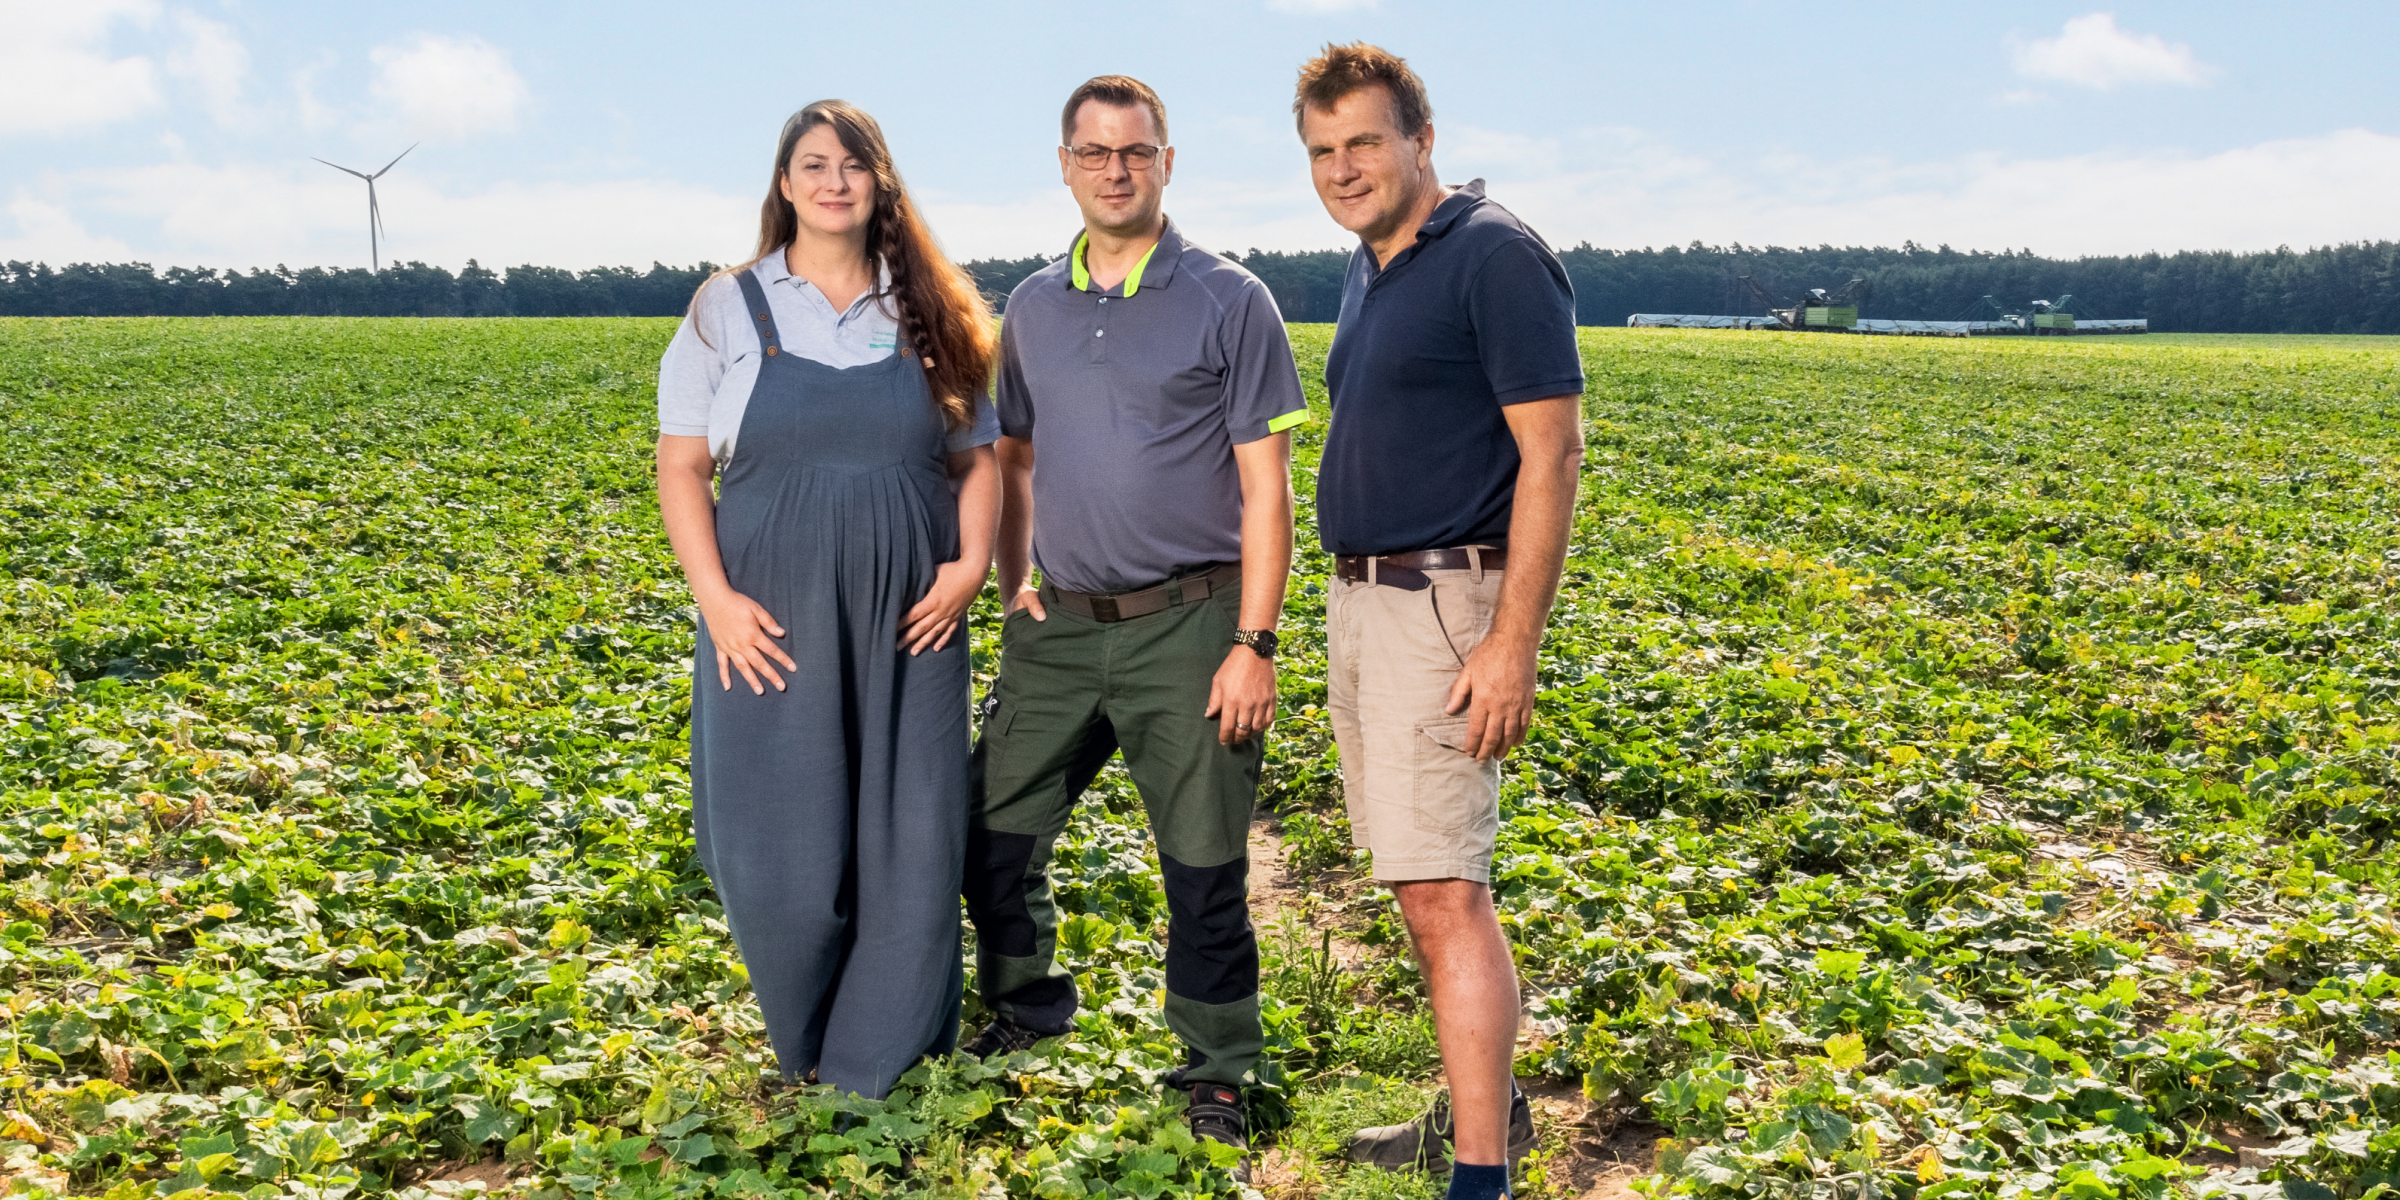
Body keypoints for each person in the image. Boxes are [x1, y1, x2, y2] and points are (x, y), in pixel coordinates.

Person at [957, 75, 1308, 1171]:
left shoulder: (1228, 297)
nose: (1117, 169)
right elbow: (1012, 458)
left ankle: (1218, 1069)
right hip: (1059, 624)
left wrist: (1254, 643)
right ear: (1064, 164)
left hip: (1190, 624)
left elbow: (1268, 487)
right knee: (992, 830)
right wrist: (1016, 582)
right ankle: (1029, 1005)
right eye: (1096, 152)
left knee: (1201, 864)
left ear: (1167, 161)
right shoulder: (1031, 308)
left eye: (1137, 151)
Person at [653, 100, 1002, 1100]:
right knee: (775, 854)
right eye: (814, 164)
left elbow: (976, 462)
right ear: (785, 183)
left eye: (853, 165)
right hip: (768, 614)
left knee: (911, 835)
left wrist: (969, 566)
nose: (834, 181)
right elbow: (681, 469)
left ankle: (871, 1069)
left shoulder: (928, 310)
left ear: (880, 182)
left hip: (911, 615)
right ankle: (804, 1043)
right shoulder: (729, 307)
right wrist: (714, 598)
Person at [1293, 43, 1586, 1200]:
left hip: (1442, 601)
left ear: (1422, 138)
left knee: (1445, 890)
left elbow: (1551, 454)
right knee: (1418, 881)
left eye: (1364, 141)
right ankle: (1485, 1116)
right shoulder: (1375, 266)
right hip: (1368, 601)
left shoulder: (1495, 255)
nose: (1343, 168)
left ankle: (1479, 1177)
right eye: (1322, 152)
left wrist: (1512, 644)